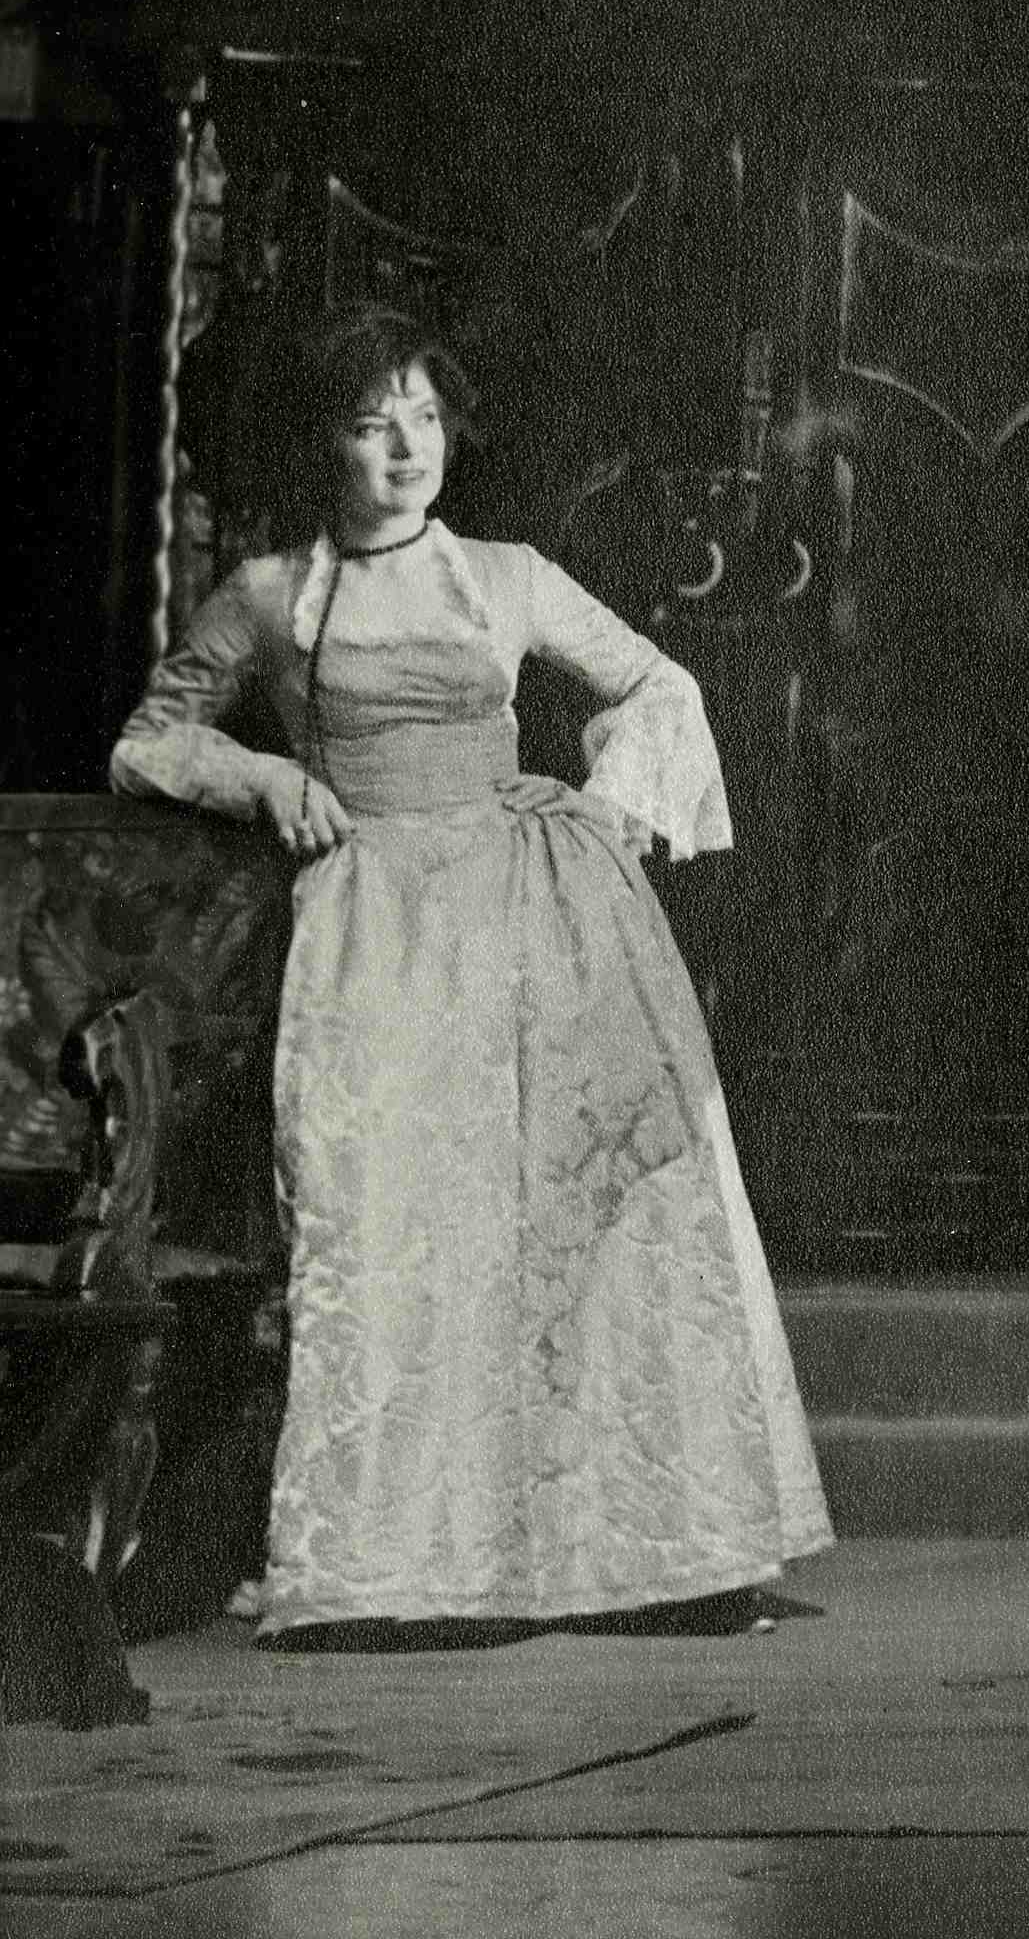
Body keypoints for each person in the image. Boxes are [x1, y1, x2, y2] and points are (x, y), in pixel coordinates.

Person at [111, 308, 828, 1649]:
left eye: (425, 420)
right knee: (390, 1228)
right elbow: (149, 741)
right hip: (371, 925)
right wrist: (265, 774)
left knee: (575, 1228)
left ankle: (643, 1551)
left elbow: (657, 687)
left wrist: (611, 807)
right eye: (372, 424)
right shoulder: (271, 593)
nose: (407, 450)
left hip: (531, 920)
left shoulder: (506, 576)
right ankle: (410, 1560)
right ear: (324, 445)